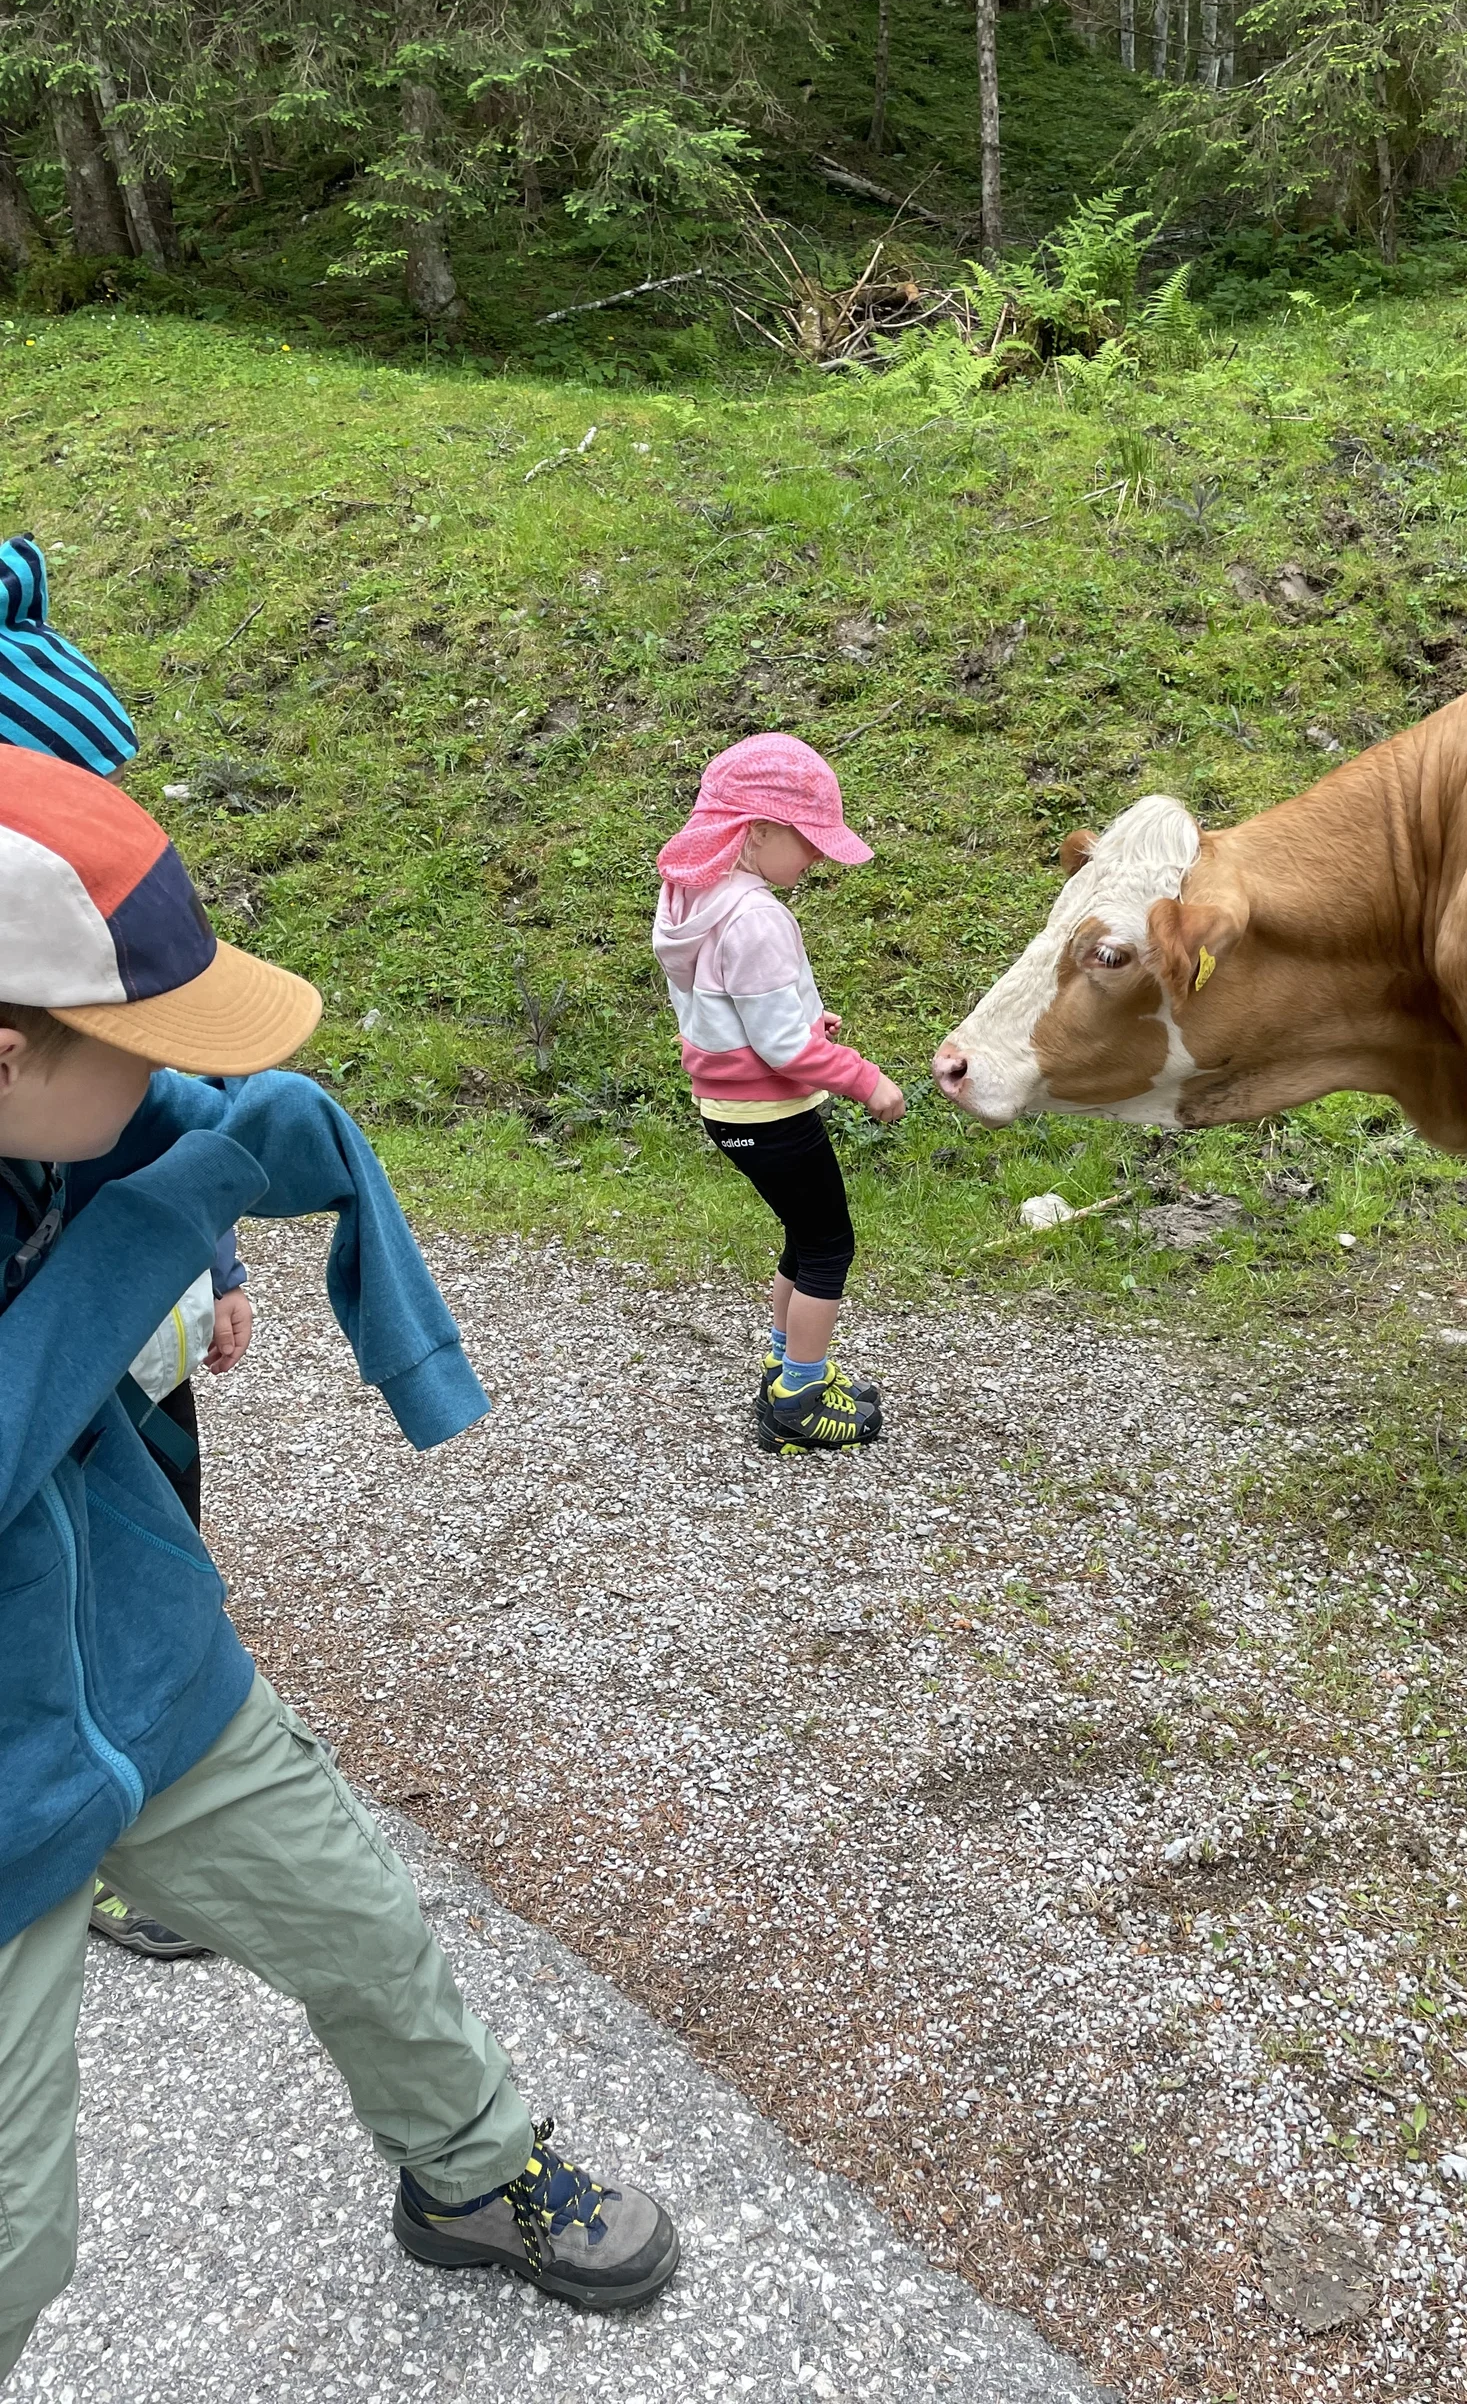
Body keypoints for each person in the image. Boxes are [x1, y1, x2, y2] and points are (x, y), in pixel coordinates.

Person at [0, 753, 679, 2384]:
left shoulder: (38, 1109)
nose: (171, 1069)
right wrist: (165, 1219)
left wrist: (227, 1158)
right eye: (147, 1044)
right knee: (15, 2235)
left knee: (365, 1927)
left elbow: (138, 1139)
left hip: (147, 1675)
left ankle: (471, 2175)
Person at [0, 529, 249, 1961]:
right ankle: (85, 1838)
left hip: (127, 1342)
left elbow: (159, 1093)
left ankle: (147, 1763)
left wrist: (215, 1253)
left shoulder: (77, 954)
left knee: (152, 1509)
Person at [652, 732, 904, 1452]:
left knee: (804, 1232)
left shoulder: (694, 897)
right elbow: (783, 1049)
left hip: (730, 1105)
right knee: (828, 1246)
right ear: (757, 830)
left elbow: (734, 1010)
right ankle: (798, 1397)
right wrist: (866, 1080)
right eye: (809, 840)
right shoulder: (757, 916)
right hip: (772, 1113)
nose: (818, 857)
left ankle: (786, 1366)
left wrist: (803, 1024)